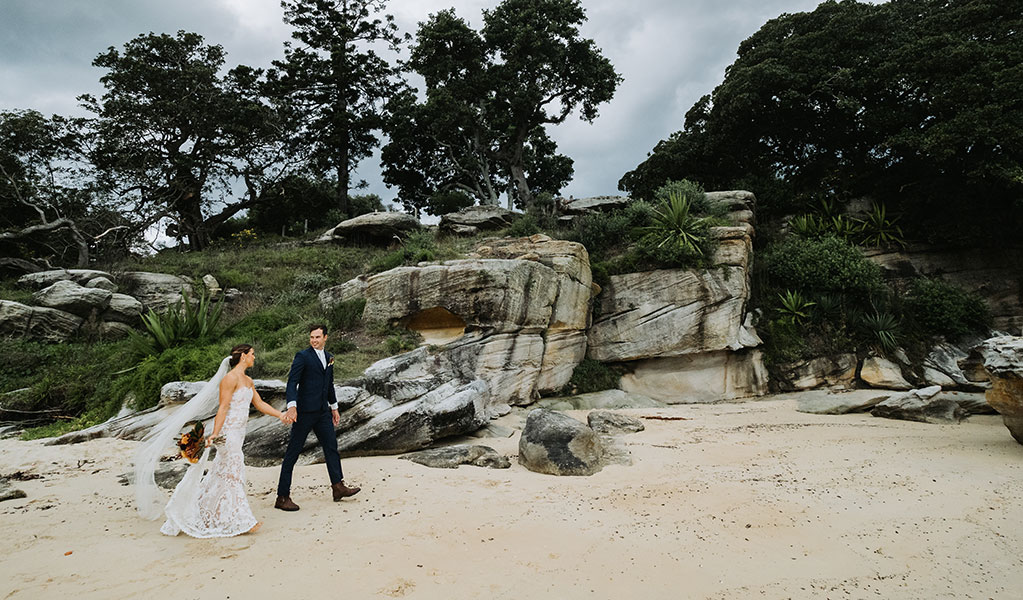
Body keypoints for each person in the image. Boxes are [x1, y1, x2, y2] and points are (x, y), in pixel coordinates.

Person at [134, 344, 289, 537]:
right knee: (234, 471)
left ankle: (202, 510)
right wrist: (215, 433)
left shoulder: (248, 380)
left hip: (239, 432)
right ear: (243, 356)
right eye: (252, 354)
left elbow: (259, 403)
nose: (254, 358)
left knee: (221, 474)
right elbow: (223, 408)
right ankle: (242, 519)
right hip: (229, 432)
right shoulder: (229, 379)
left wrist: (280, 415)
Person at [275, 324, 360, 511]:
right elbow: (292, 383)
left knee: (331, 447)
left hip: (322, 412)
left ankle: (338, 487)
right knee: (293, 453)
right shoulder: (302, 357)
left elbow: (329, 384)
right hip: (304, 413)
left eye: (317, 337)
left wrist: (334, 407)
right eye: (312, 337)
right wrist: (292, 406)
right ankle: (282, 497)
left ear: (325, 337)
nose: (314, 340)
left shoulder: (330, 358)